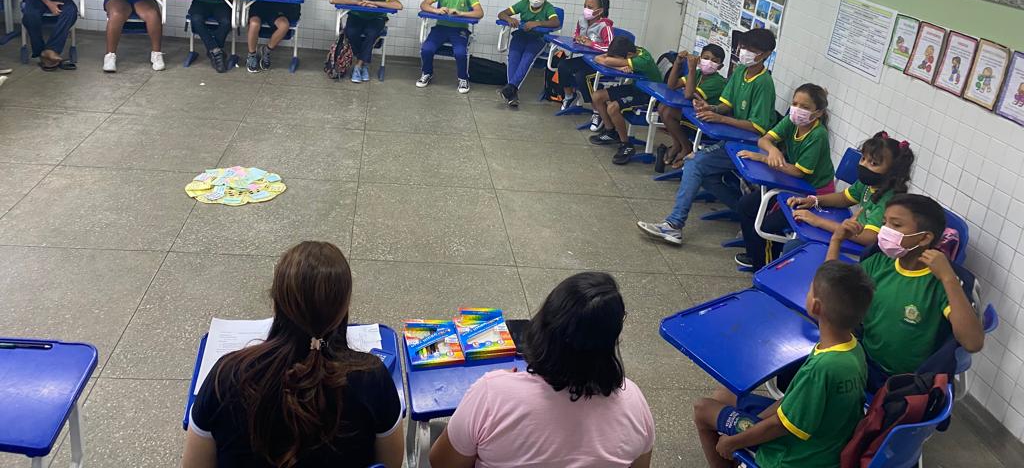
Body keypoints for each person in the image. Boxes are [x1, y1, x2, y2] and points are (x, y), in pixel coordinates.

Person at [181, 241, 403, 468]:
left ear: (277, 302)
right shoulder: (373, 378)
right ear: (342, 309)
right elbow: (390, 463)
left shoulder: (227, 376)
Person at [429, 272, 654, 468]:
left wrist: (502, 387)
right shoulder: (634, 402)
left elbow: (440, 463)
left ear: (544, 322)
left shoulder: (493, 394)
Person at [693, 261, 873, 468]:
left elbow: (780, 426)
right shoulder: (853, 348)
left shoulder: (822, 368)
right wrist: (753, 421)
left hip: (796, 458)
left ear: (815, 305)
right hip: (830, 443)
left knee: (702, 409)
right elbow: (794, 401)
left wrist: (732, 442)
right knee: (725, 395)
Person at [637, 28, 777, 246]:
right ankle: (748, 214)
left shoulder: (764, 84)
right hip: (731, 139)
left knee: (695, 163)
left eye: (753, 50)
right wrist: (710, 108)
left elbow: (758, 127)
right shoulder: (740, 72)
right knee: (707, 176)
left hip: (748, 144)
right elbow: (726, 105)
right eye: (744, 47)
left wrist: (721, 119)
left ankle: (674, 225)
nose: (746, 52)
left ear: (766, 55)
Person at [827, 194, 984, 386]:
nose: (884, 231)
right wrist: (836, 241)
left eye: (896, 225)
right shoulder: (879, 263)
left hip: (902, 384)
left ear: (925, 238)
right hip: (862, 362)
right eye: (884, 223)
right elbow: (830, 291)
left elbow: (973, 343)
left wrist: (948, 278)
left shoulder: (939, 282)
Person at [733, 84, 835, 270]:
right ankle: (755, 255)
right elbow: (763, 140)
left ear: (818, 113)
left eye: (805, 107)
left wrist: (764, 158)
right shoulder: (792, 121)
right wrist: (772, 151)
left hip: (813, 193)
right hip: (793, 184)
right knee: (746, 206)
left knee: (768, 225)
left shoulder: (818, 135)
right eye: (795, 104)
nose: (797, 110)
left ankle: (765, 269)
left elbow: (799, 172)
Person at [788, 131, 915, 249]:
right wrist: (814, 200)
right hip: (850, 233)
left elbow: (869, 237)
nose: (863, 165)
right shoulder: (869, 183)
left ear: (892, 171)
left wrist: (817, 220)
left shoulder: (887, 200)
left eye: (874, 163)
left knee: (794, 247)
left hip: (860, 249)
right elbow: (844, 198)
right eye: (863, 158)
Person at [589, 36, 663, 165]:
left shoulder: (643, 59)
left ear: (628, 55)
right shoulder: (630, 51)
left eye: (617, 58)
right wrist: (619, 67)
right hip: (635, 88)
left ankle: (626, 144)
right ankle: (610, 131)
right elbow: (598, 58)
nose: (615, 59)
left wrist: (612, 63)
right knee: (597, 96)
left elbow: (606, 61)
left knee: (612, 107)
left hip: (648, 94)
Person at [416, 0, 483, 93]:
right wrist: (436, 10)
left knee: (460, 52)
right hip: (441, 28)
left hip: (459, 30)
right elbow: (424, 5)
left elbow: (479, 13)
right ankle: (427, 73)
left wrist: (461, 13)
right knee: (427, 48)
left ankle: (463, 79)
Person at [658, 45, 727, 169]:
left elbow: (689, 94)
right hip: (692, 113)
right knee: (662, 107)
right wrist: (678, 64)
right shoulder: (698, 73)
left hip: (706, 121)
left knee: (668, 112)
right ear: (700, 58)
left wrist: (692, 69)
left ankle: (686, 147)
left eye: (714, 61)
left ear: (720, 66)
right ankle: (676, 144)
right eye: (706, 58)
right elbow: (672, 85)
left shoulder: (718, 81)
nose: (709, 62)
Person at [496, 0, 560, 107]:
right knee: (513, 57)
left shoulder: (548, 7)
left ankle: (510, 89)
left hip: (538, 39)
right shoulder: (523, 4)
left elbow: (555, 22)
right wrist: (509, 18)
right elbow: (501, 14)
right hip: (521, 36)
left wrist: (538, 23)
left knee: (527, 58)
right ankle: (511, 92)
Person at [243, 0, 302, 73]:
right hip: (258, 8)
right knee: (254, 24)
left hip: (276, 11)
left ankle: (267, 50)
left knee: (284, 25)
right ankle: (252, 54)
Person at [557, 0, 614, 117]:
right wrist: (578, 38)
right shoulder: (582, 20)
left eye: (590, 7)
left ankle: (597, 111)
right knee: (563, 65)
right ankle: (569, 96)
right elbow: (575, 34)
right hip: (586, 59)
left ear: (600, 11)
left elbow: (610, 47)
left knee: (582, 76)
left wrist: (591, 44)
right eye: (585, 6)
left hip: (599, 63)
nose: (586, 9)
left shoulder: (605, 26)